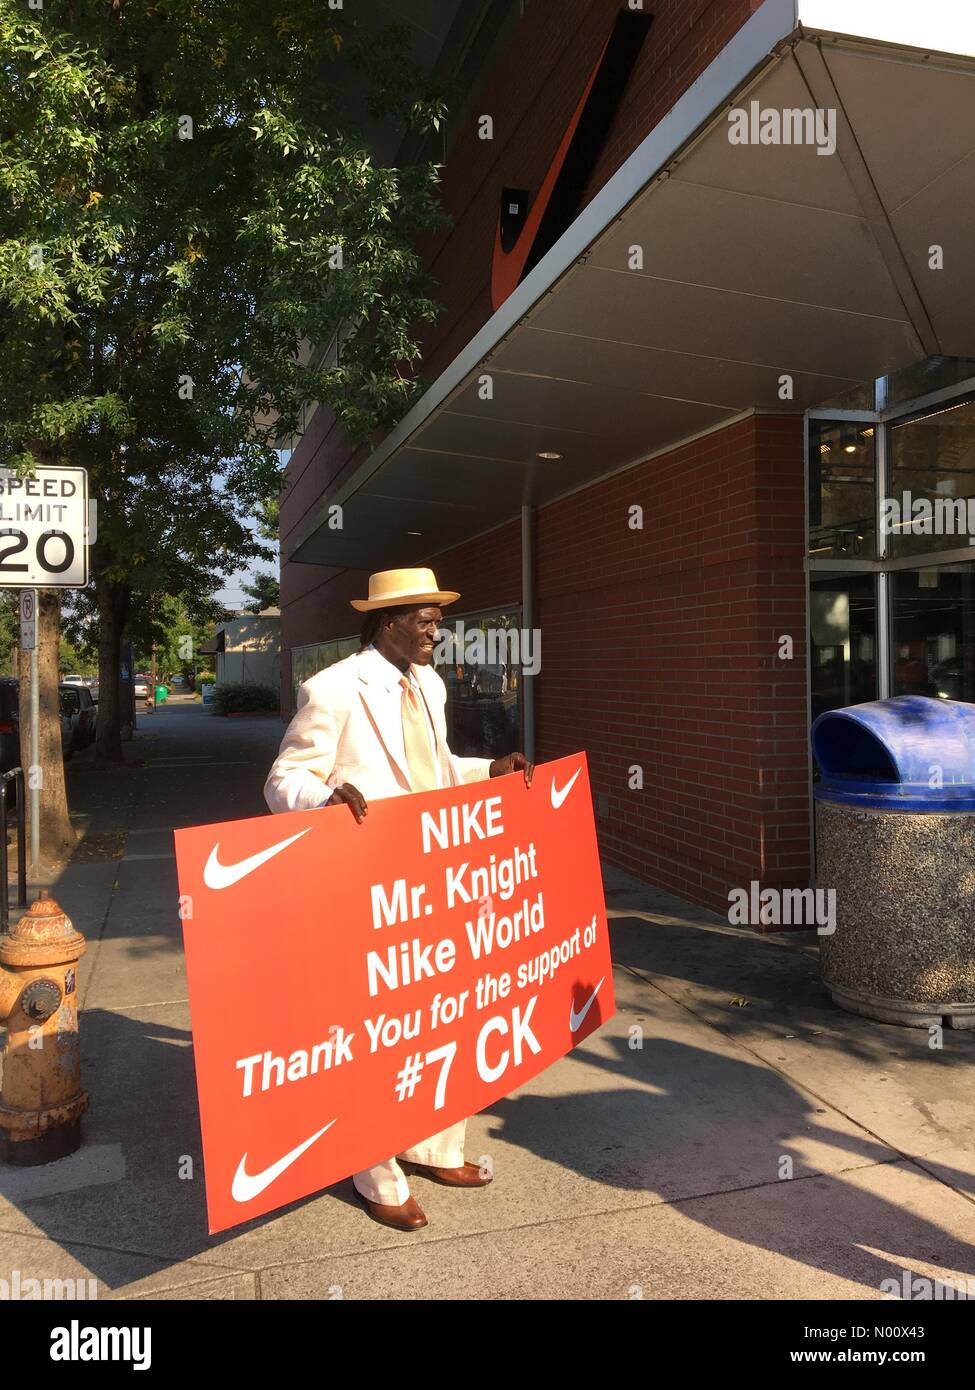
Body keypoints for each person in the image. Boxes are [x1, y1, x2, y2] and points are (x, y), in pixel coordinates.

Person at [264, 567, 533, 1231]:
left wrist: (485, 772)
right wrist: (321, 798)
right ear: (388, 621)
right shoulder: (331, 689)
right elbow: (283, 779)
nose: (436, 632)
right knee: (376, 1033)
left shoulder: (431, 685)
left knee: (440, 1021)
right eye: (426, 619)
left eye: (439, 621)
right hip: (365, 887)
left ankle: (436, 1147)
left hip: (434, 884)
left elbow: (432, 771)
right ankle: (376, 1173)